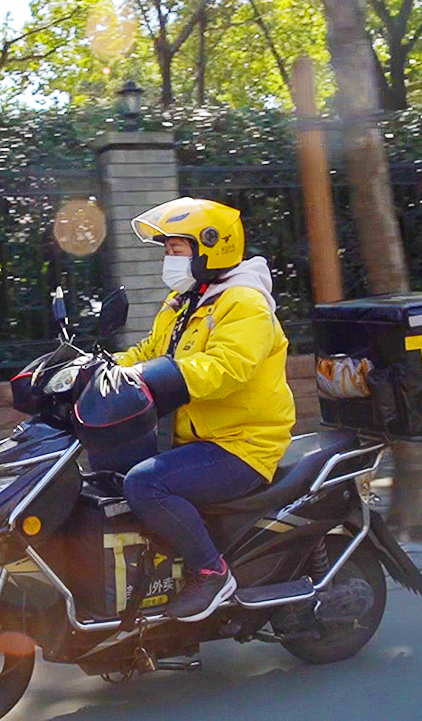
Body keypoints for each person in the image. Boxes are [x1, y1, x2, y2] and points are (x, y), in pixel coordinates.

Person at [115, 197, 296, 622]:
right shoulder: (185, 302)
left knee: (145, 484)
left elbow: (227, 368)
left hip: (242, 445)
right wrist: (103, 369)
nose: (169, 259)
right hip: (196, 438)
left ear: (210, 248)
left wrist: (156, 377)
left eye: (177, 249)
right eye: (167, 250)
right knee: (111, 467)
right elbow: (151, 351)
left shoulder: (245, 304)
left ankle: (211, 572)